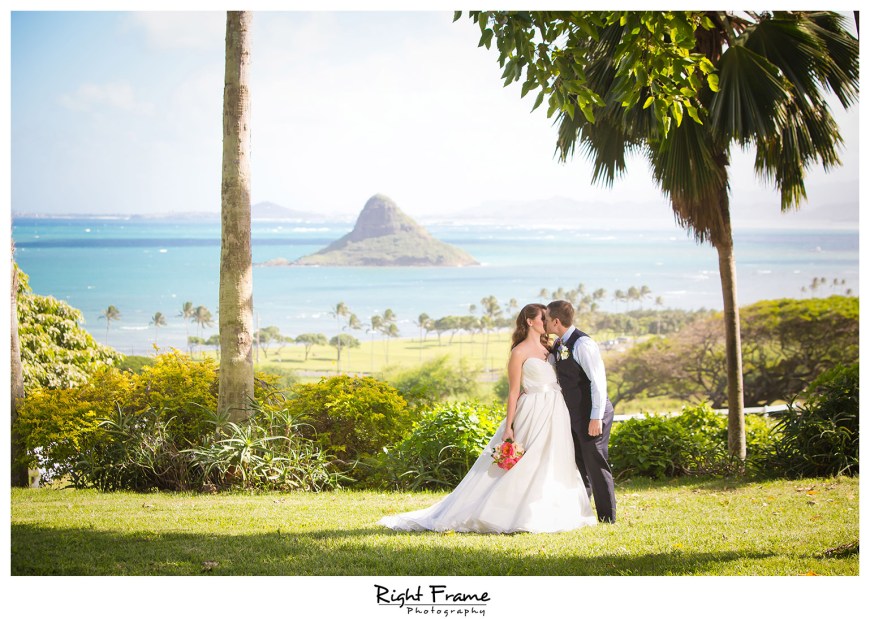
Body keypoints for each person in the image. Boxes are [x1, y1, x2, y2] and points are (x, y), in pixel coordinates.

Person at [378, 303, 597, 533]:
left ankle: (554, 508)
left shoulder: (552, 349)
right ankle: (509, 511)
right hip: (533, 410)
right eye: (543, 318)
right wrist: (509, 426)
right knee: (528, 461)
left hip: (556, 410)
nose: (547, 322)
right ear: (530, 321)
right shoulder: (519, 352)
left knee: (555, 458)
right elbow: (513, 392)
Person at [545, 300, 616, 523]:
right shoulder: (559, 344)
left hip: (593, 413)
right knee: (579, 465)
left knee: (596, 464)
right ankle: (580, 513)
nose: (544, 322)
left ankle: (607, 517)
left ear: (556, 321)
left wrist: (595, 418)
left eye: (546, 319)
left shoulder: (583, 344)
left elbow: (598, 383)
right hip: (574, 414)